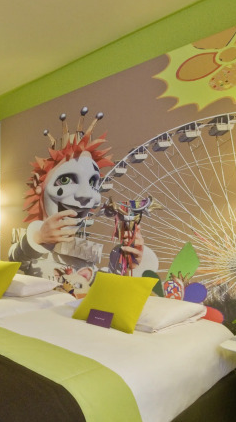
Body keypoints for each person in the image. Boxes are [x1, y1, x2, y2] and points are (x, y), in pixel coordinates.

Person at [9, 110, 146, 297]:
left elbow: (96, 286)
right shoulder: (30, 245)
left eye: (92, 183)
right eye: (65, 180)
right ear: (38, 186)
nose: (86, 195)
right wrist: (38, 237)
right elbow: (15, 259)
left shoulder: (84, 252)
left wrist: (124, 261)